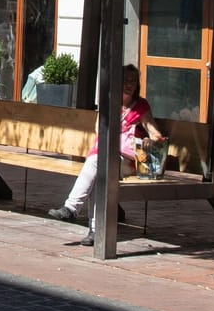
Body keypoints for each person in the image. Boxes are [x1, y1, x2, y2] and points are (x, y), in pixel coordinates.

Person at [48, 64, 163, 229]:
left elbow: (155, 133)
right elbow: (99, 130)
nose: (129, 85)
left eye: (133, 81)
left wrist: (151, 140)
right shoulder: (109, 103)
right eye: (125, 81)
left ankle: (73, 209)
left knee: (97, 165)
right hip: (105, 155)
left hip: (127, 161)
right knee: (99, 171)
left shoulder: (140, 106)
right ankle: (94, 229)